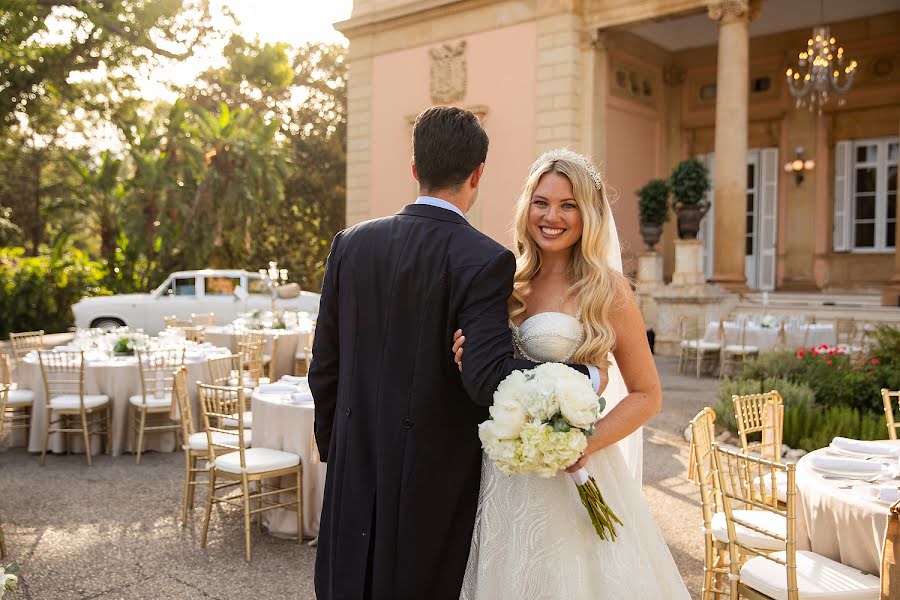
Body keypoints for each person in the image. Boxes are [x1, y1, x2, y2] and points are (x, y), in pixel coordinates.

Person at [308, 108, 603, 600]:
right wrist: (584, 375)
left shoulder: (351, 244)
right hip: (431, 480)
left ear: (414, 167)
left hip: (352, 469)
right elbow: (487, 378)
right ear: (478, 174)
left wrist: (336, 452)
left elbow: (324, 368)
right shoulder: (484, 259)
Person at [453, 149, 691, 599]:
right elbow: (492, 377)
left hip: (575, 470)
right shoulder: (504, 283)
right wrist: (467, 357)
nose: (552, 216)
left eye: (568, 205)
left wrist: (583, 442)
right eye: (541, 202)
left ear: (589, 214)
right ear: (527, 207)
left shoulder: (608, 290)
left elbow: (647, 394)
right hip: (505, 473)